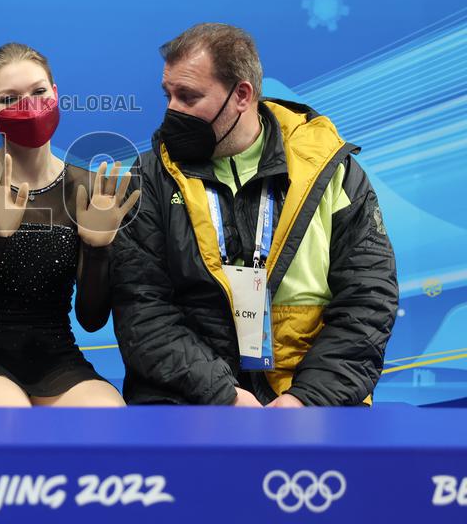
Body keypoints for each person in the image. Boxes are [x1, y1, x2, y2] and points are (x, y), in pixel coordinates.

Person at [111, 23, 399, 406]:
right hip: (188, 400)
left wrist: (307, 399)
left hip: (311, 397)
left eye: (188, 97)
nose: (171, 112)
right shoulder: (148, 176)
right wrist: (223, 395)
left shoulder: (332, 170)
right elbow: (142, 309)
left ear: (241, 95)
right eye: (168, 95)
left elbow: (369, 298)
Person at [0, 43, 136, 407]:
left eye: (38, 92)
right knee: (6, 415)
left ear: (56, 94)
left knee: (106, 414)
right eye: (10, 98)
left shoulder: (88, 189)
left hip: (58, 356)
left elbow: (92, 319)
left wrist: (98, 250)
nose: (29, 106)